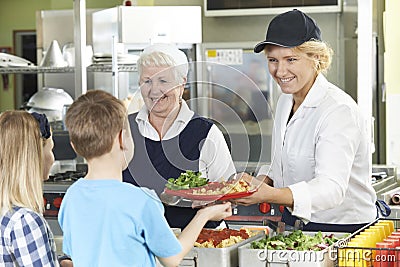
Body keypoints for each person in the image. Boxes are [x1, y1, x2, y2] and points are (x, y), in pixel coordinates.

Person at [234, 9, 378, 233]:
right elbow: (281, 161)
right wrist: (260, 182)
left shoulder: (338, 110)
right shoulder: (285, 101)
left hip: (344, 231)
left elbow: (331, 188)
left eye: (291, 59)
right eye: (273, 60)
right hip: (297, 225)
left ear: (316, 58)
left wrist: (269, 195)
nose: (280, 71)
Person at [59, 90, 232, 267]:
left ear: (75, 146)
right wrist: (204, 215)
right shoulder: (141, 200)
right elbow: (172, 258)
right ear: (122, 139)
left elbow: (73, 257)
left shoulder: (72, 197)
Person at [122, 43, 236, 228]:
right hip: (136, 244)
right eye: (147, 81)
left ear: (181, 83)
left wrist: (212, 203)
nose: (154, 90)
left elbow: (228, 197)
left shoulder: (206, 133)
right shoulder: (124, 128)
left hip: (198, 246)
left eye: (163, 81)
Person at [0, 111, 58, 266]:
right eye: (51, 149)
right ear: (35, 157)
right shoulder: (25, 222)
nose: (53, 158)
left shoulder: (6, 213)